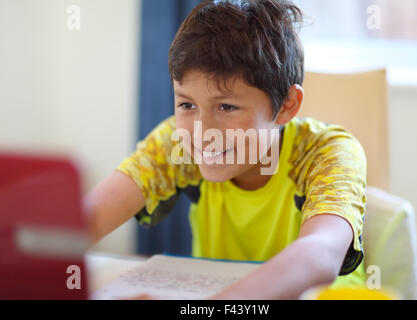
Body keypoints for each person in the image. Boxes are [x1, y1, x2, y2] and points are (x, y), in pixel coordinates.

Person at [84, 0, 367, 299]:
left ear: (286, 105)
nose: (202, 132)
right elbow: (87, 219)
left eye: (227, 106)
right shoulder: (179, 143)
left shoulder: (326, 152)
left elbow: (320, 256)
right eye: (187, 105)